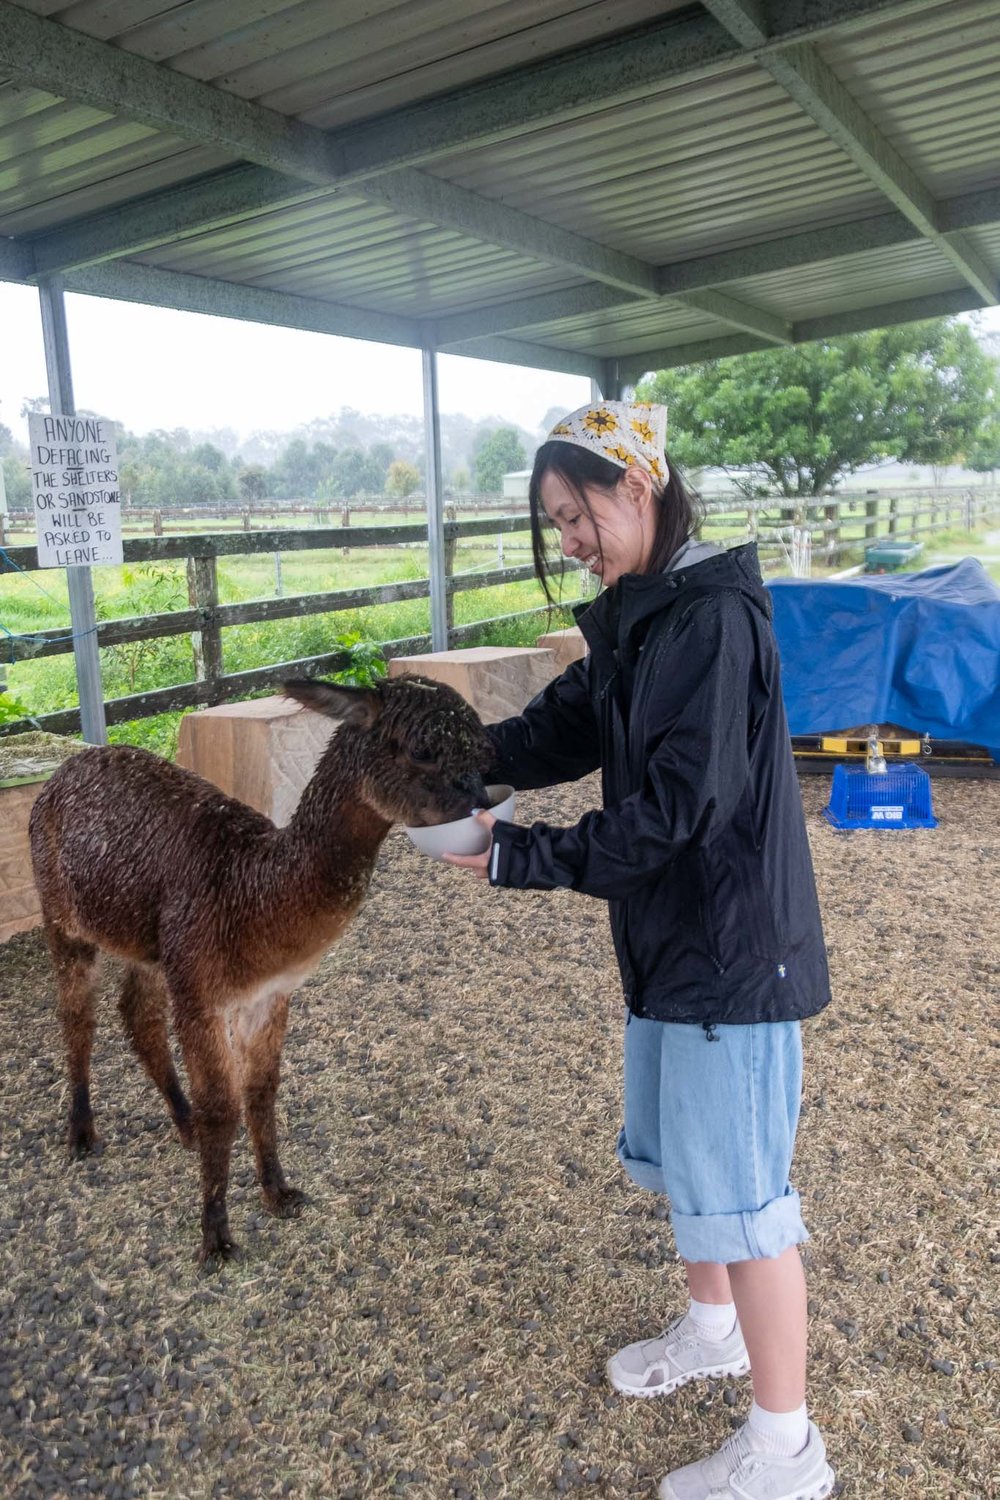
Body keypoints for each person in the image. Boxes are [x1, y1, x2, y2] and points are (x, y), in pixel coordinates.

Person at [445, 401, 835, 1500]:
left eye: (577, 514)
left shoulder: (709, 621)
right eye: (554, 522)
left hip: (728, 951)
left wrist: (521, 857)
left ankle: (787, 1447)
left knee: (749, 1203)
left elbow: (676, 812)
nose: (568, 538)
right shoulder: (639, 613)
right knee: (687, 1167)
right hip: (669, 947)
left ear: (638, 489)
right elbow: (553, 730)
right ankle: (710, 1328)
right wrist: (448, 767)